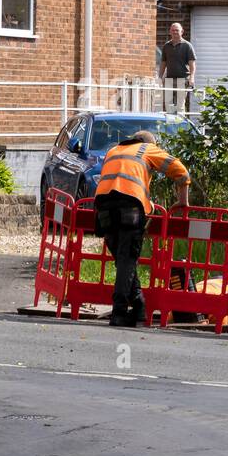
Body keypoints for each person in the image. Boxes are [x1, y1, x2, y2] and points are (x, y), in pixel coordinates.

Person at [94, 130, 191, 327]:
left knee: (123, 260)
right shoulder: (147, 149)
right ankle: (119, 312)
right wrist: (183, 201)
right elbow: (181, 171)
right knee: (127, 258)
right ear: (148, 143)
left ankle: (139, 307)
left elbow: (121, 179)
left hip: (103, 206)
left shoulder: (113, 150)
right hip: (129, 206)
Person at [159, 23, 197, 113]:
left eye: (177, 30)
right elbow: (163, 63)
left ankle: (181, 126)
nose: (175, 32)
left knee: (180, 106)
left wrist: (192, 78)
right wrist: (160, 78)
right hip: (169, 79)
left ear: (182, 31)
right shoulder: (166, 46)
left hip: (182, 79)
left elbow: (192, 64)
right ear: (170, 32)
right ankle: (170, 125)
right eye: (173, 30)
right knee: (168, 105)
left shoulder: (187, 46)